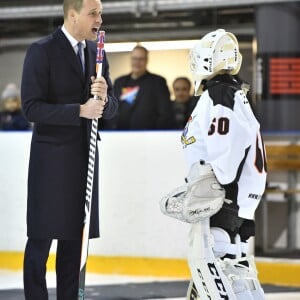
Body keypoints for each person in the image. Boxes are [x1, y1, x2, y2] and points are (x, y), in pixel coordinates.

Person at [21, 0, 118, 299]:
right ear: (73, 15)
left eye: (100, 13)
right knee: (41, 241)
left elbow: (110, 109)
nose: (99, 19)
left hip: (84, 160)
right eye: (94, 13)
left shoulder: (96, 53)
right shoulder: (42, 51)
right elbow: (31, 108)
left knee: (75, 242)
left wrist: (104, 99)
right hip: (51, 162)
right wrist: (79, 110)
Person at [161, 29, 266, 299]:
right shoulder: (233, 92)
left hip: (224, 200)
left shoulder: (219, 95)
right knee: (237, 269)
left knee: (217, 262)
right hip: (238, 200)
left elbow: (226, 148)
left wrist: (216, 187)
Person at [109, 45, 173, 130]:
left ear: (147, 60)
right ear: (131, 60)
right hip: (122, 134)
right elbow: (112, 110)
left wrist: (157, 133)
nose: (137, 62)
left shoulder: (158, 82)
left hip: (148, 135)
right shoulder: (119, 82)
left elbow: (165, 112)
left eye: (141, 59)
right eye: (135, 58)